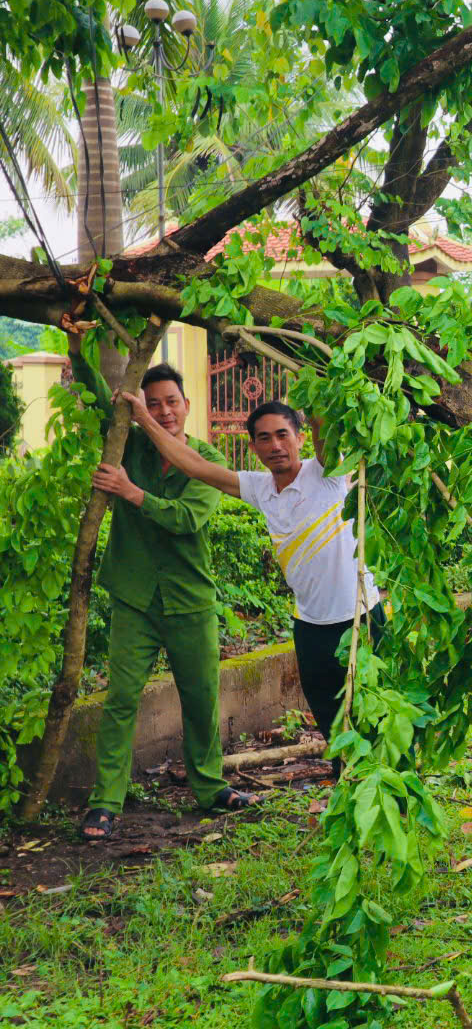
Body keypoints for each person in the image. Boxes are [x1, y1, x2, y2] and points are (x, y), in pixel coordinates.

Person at [65, 326, 258, 840]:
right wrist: (77, 348)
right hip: (134, 596)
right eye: (153, 404)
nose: (164, 411)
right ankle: (106, 801)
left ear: (187, 405)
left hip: (189, 600)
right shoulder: (129, 446)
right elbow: (92, 397)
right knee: (122, 698)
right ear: (140, 409)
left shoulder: (210, 462)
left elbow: (185, 520)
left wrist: (131, 494)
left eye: (171, 402)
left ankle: (210, 787)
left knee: (199, 697)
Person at [118, 395, 383, 758]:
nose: (275, 446)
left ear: (300, 438)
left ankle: (393, 799)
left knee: (376, 718)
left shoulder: (326, 473)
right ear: (253, 446)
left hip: (360, 618)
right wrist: (145, 420)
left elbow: (324, 423)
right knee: (331, 720)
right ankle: (347, 795)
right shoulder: (260, 487)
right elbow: (194, 465)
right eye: (264, 438)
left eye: (282, 434)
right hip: (309, 627)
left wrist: (315, 378)